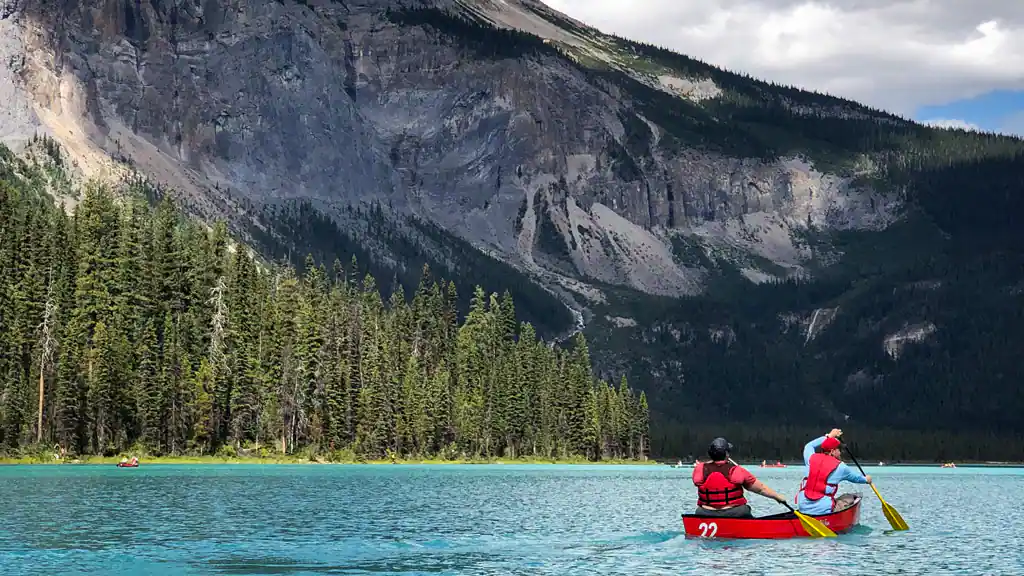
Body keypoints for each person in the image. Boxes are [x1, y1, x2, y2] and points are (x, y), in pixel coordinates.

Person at [692, 437, 788, 518]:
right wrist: (778, 497)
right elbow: (760, 489)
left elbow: (709, 469)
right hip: (734, 513)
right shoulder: (737, 470)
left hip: (704, 513)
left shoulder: (699, 469)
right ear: (727, 454)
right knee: (746, 510)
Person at [796, 428, 872, 515]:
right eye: (839, 450)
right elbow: (857, 478)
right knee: (851, 497)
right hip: (824, 510)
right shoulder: (841, 467)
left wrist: (829, 436)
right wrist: (867, 479)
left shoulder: (810, 458)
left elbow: (809, 446)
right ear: (832, 451)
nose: (840, 453)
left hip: (803, 507)